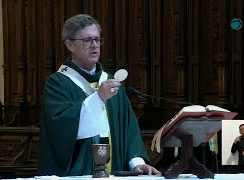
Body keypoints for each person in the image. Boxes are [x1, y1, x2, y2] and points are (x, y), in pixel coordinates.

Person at [37, 14, 161, 176]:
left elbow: (128, 129)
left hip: (114, 172)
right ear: (70, 45)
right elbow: (61, 129)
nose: (95, 45)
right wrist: (98, 99)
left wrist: (137, 163)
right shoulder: (58, 84)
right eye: (87, 40)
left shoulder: (111, 83)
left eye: (97, 39)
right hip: (77, 173)